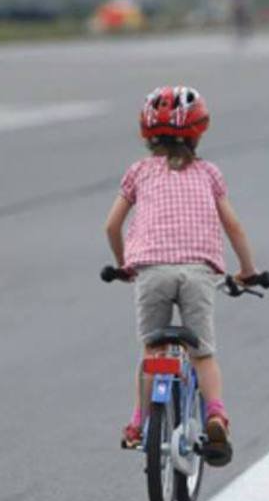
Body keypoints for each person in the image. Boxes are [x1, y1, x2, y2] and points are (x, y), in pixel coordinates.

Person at [105, 86, 261, 467]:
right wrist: (247, 271)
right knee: (202, 353)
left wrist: (125, 262)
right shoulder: (209, 173)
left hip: (151, 270)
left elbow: (112, 225)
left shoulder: (138, 172)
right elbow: (234, 226)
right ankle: (216, 416)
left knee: (151, 350)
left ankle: (139, 421)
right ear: (199, 131)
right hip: (198, 272)